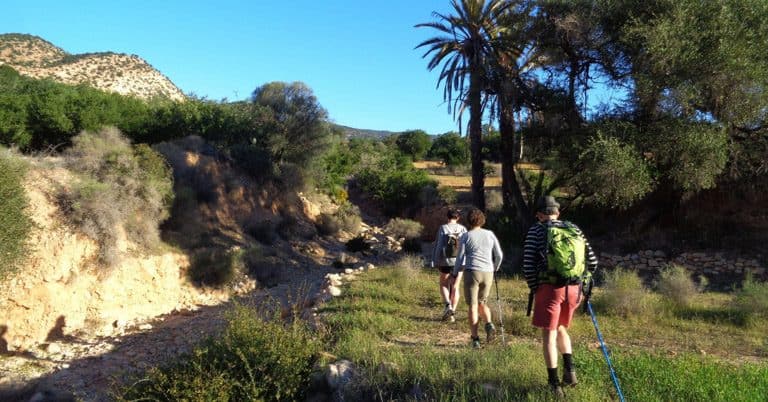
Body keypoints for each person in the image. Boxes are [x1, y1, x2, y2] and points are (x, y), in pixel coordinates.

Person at [522, 196, 598, 396]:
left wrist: (535, 287)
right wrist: (582, 281)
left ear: (539, 214)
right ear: (558, 212)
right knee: (561, 327)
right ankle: (570, 372)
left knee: (549, 334)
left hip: (550, 288)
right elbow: (593, 261)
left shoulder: (536, 230)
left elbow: (528, 265)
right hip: (574, 289)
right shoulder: (574, 229)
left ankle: (554, 384)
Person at [450, 208, 503, 348]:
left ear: (469, 221)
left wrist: (455, 274)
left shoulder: (466, 237)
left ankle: (475, 339)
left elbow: (460, 258)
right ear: (482, 220)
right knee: (482, 303)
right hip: (488, 272)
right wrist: (495, 267)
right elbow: (499, 255)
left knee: (473, 306)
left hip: (472, 272)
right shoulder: (490, 234)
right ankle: (489, 324)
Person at [431, 208, 467, 322]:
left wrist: (435, 261)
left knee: (443, 284)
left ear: (447, 217)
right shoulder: (463, 229)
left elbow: (439, 245)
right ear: (458, 218)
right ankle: (452, 315)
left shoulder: (443, 228)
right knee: (455, 287)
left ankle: (448, 305)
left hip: (446, 261)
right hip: (460, 261)